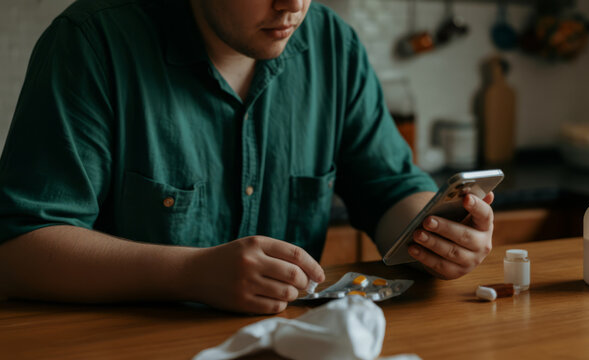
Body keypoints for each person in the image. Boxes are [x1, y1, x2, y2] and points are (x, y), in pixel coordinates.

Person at [0, 0, 495, 314]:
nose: (293, 6)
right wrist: (189, 273)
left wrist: (436, 234)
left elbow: (390, 190)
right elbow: (19, 252)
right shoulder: (92, 42)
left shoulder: (332, 45)